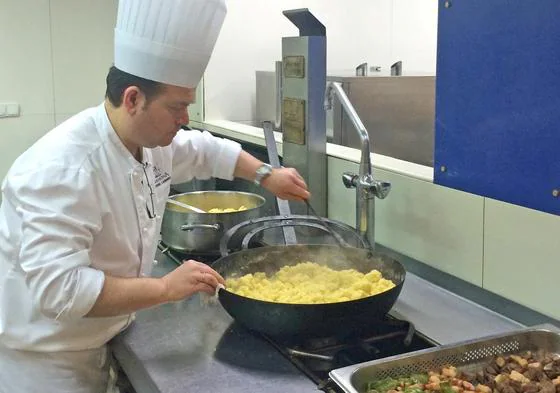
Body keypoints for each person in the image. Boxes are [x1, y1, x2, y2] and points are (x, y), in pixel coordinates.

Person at [0, 0, 309, 392]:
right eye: (177, 107)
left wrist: (267, 173)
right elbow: (61, 291)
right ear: (133, 99)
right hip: (46, 363)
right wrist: (166, 288)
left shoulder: (150, 139)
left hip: (103, 337)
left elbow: (205, 150)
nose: (184, 120)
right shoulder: (63, 169)